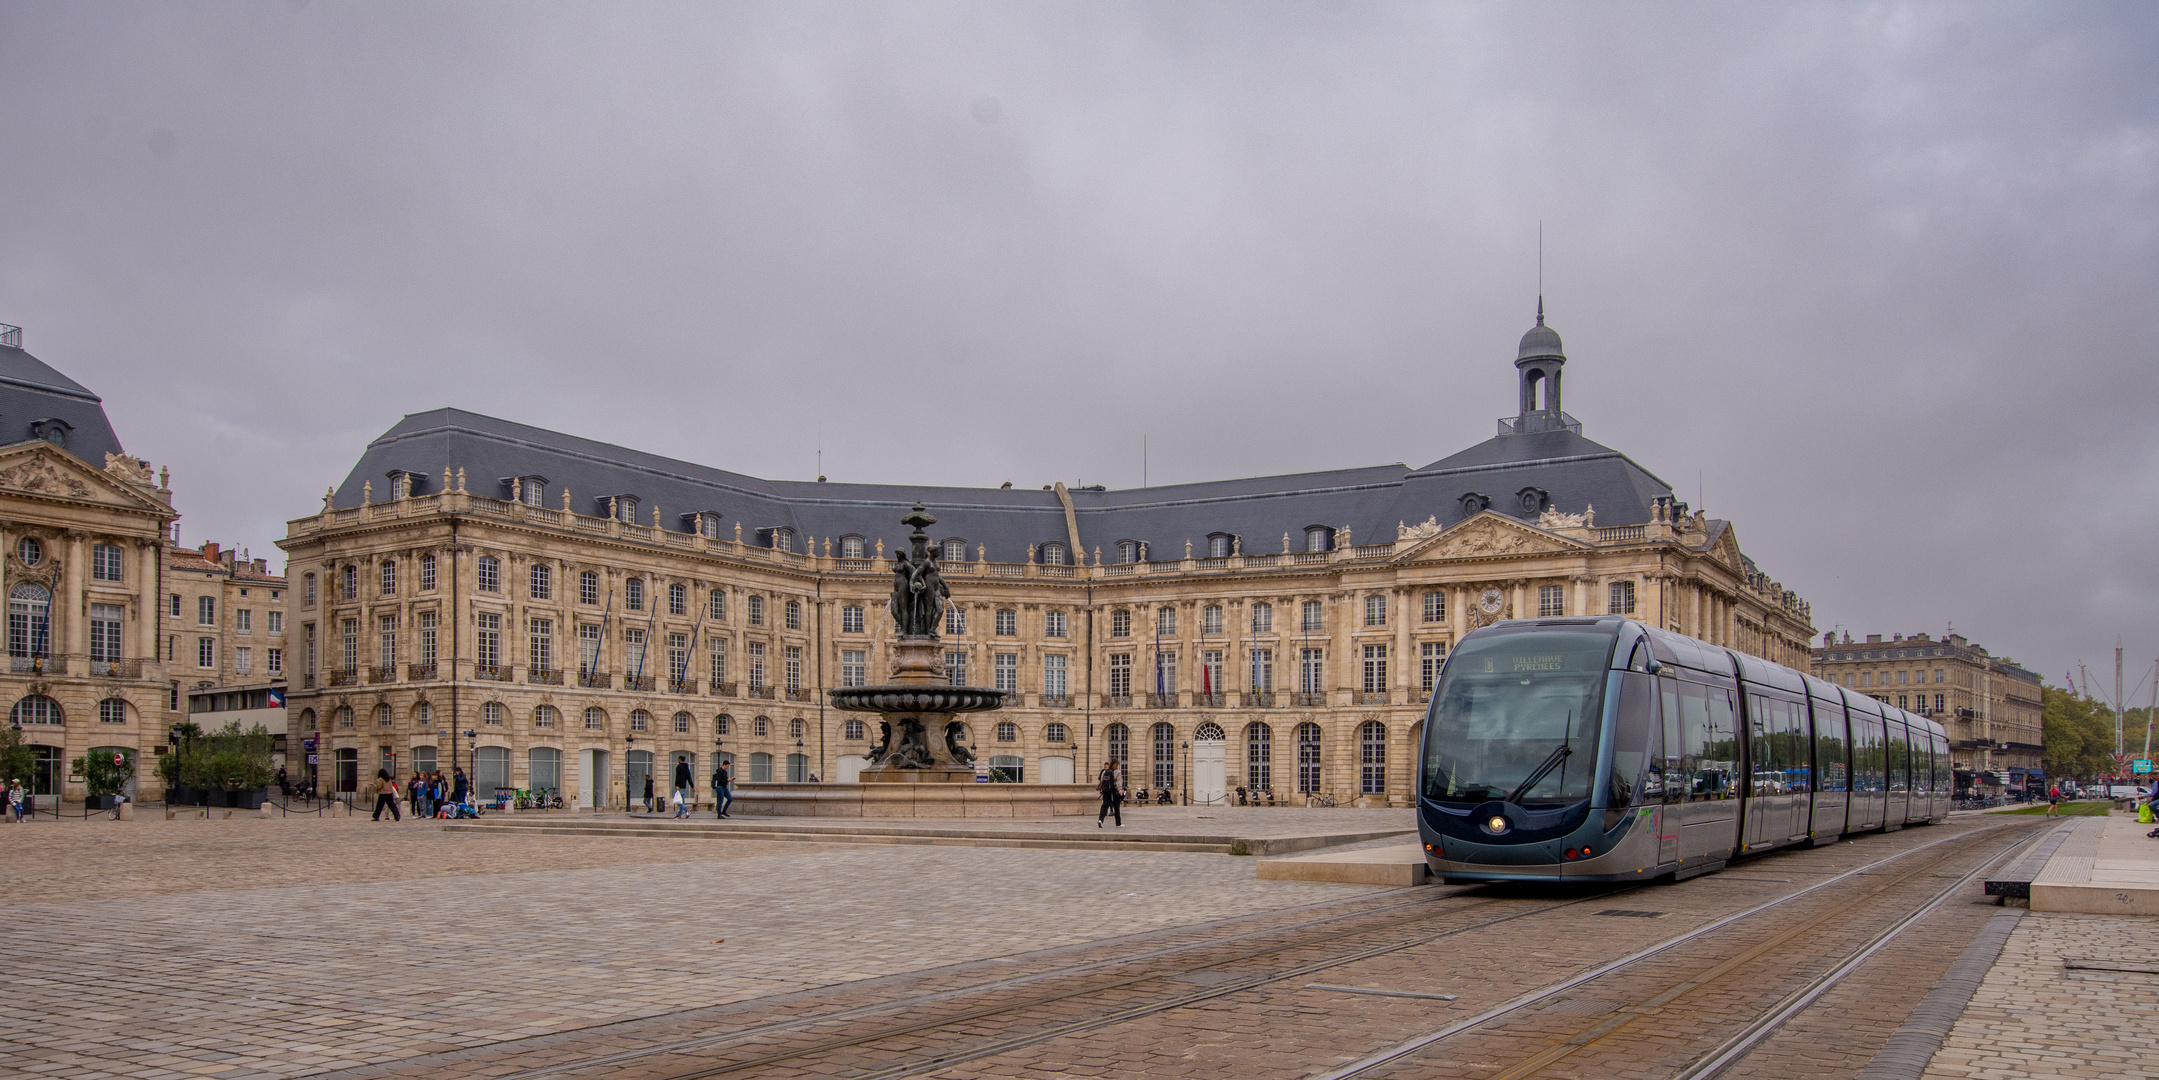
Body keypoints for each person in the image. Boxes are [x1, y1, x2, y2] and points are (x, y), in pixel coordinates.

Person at [1097, 759, 1124, 828]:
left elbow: (1101, 780)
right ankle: (1118, 823)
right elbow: (1119, 782)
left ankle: (1100, 820)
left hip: (1106, 791)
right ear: (1116, 765)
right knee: (1116, 807)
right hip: (1114, 791)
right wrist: (1120, 789)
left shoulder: (1105, 772)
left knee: (1104, 806)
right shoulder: (1117, 772)